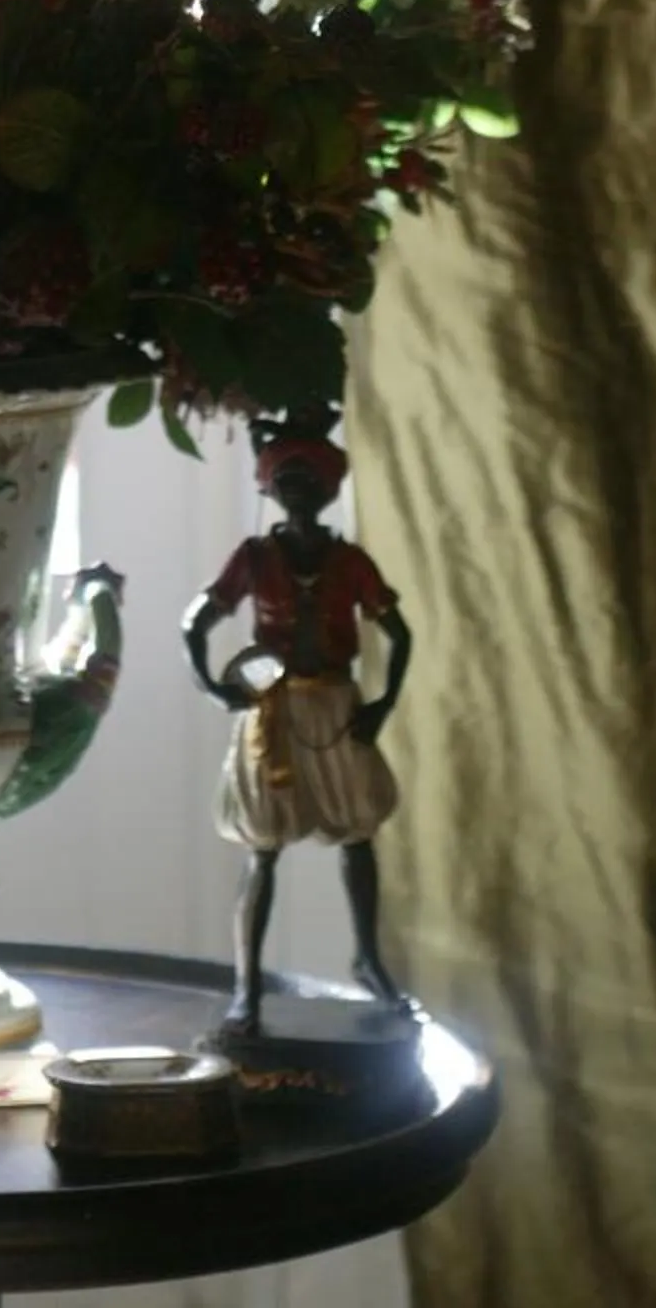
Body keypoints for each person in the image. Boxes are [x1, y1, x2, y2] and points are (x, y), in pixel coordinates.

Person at [182, 420, 413, 1034]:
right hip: (273, 710)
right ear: (271, 488)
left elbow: (400, 633)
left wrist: (382, 705)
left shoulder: (349, 562)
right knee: (263, 847)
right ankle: (247, 987)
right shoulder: (255, 558)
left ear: (329, 488)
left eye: (309, 480)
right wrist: (212, 686)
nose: (298, 492)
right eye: (287, 480)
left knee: (358, 835)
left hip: (336, 704)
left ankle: (368, 960)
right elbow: (196, 621)